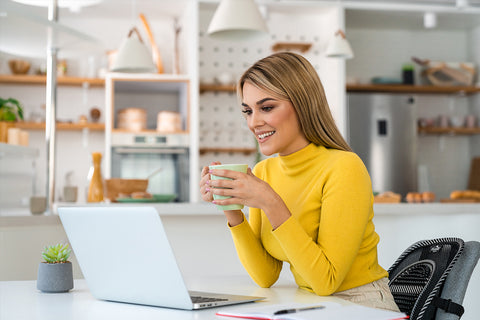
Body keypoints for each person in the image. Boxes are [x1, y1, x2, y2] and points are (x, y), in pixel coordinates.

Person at [199, 52, 400, 312]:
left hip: (363, 305)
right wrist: (231, 208)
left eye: (267, 108)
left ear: (303, 103)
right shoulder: (264, 171)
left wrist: (271, 202)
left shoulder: (344, 167)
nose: (254, 122)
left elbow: (326, 281)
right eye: (248, 111)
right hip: (312, 304)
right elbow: (265, 275)